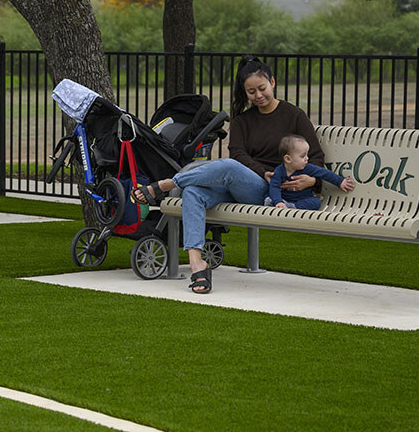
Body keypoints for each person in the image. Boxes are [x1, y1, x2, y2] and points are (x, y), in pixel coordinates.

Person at [131, 56, 323, 294]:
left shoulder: (294, 115)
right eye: (251, 91)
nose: (258, 95)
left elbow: (316, 156)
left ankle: (167, 184)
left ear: (272, 82)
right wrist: (263, 172)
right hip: (249, 182)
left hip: (272, 193)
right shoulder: (243, 120)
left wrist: (313, 179)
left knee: (228, 167)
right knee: (194, 192)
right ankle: (197, 264)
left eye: (262, 88)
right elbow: (239, 154)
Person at [270, 134, 355, 209]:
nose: (307, 158)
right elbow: (274, 187)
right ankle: (280, 205)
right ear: (288, 159)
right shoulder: (279, 171)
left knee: (315, 202)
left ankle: (292, 207)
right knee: (269, 196)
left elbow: (325, 173)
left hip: (302, 199)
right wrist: (278, 201)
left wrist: (340, 182)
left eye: (307, 155)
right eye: (303, 156)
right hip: (284, 199)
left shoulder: (308, 168)